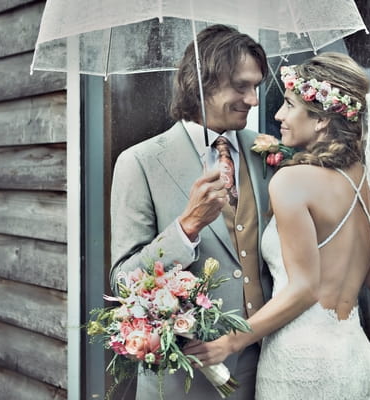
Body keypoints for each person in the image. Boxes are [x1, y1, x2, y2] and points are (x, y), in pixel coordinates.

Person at [186, 52, 370, 399]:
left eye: (288, 104)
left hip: (301, 364)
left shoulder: (291, 181)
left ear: (322, 121)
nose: (278, 115)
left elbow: (305, 289)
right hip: (357, 358)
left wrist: (229, 343)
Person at [110, 24, 273, 399]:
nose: (252, 100)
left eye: (256, 87)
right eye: (240, 86)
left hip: (267, 366)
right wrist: (187, 226)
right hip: (187, 376)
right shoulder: (140, 162)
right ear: (202, 83)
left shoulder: (266, 152)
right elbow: (123, 282)